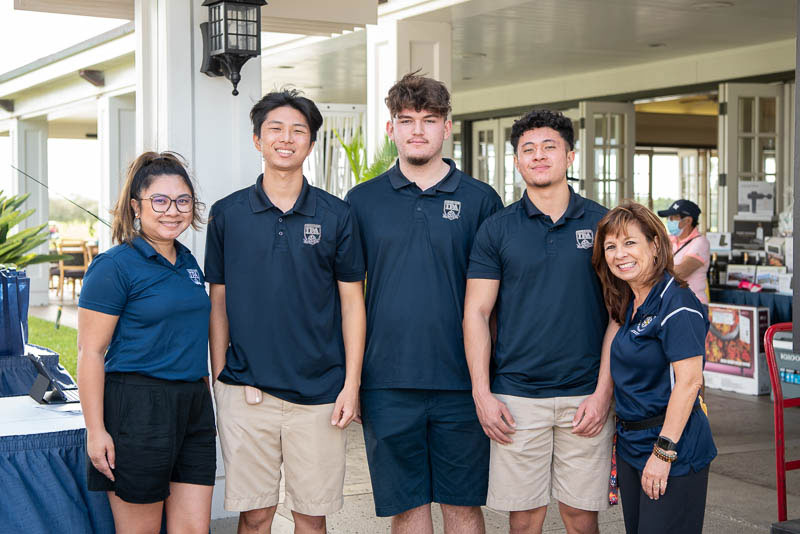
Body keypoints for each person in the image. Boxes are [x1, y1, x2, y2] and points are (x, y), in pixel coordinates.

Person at [346, 72, 503, 534]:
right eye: (406, 119)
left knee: (462, 506)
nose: (418, 130)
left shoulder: (481, 201)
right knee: (408, 508)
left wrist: (490, 383)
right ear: (390, 127)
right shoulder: (362, 201)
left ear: (447, 126)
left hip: (463, 382)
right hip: (387, 383)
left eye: (429, 120)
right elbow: (347, 297)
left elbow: (495, 303)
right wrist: (351, 381)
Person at [205, 89, 366, 534]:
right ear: (257, 140)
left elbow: (353, 303)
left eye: (298, 131)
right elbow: (218, 301)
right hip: (247, 391)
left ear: (310, 144)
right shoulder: (227, 215)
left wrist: (351, 385)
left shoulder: (337, 215)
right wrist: (221, 377)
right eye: (275, 129)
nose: (286, 138)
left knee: (310, 517)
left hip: (320, 395)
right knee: (254, 516)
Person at [464, 109, 618, 534]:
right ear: (517, 161)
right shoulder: (496, 229)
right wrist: (483, 392)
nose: (538, 156)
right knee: (525, 519)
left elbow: (618, 317)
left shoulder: (603, 223)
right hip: (516, 398)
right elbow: (476, 312)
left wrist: (603, 394)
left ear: (570, 156)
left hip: (585, 395)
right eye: (527, 149)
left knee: (580, 517)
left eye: (549, 147)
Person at [78, 152, 215, 534]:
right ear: (136, 206)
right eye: (160, 200)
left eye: (183, 200)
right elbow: (90, 352)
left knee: (192, 529)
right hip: (137, 407)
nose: (173, 210)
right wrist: (95, 430)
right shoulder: (113, 266)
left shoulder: (188, 261)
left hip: (192, 405)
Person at [592, 201, 716, 534]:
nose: (620, 254)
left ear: (655, 244)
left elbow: (690, 382)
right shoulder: (630, 301)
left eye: (630, 242)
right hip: (633, 445)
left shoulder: (677, 303)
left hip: (671, 447)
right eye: (611, 246)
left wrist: (663, 454)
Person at [657, 199, 710, 304]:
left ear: (688, 221)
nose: (669, 221)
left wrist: (655, 269)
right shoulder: (669, 240)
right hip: (671, 302)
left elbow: (679, 273)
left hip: (692, 304)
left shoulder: (700, 242)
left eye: (673, 218)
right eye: (668, 218)